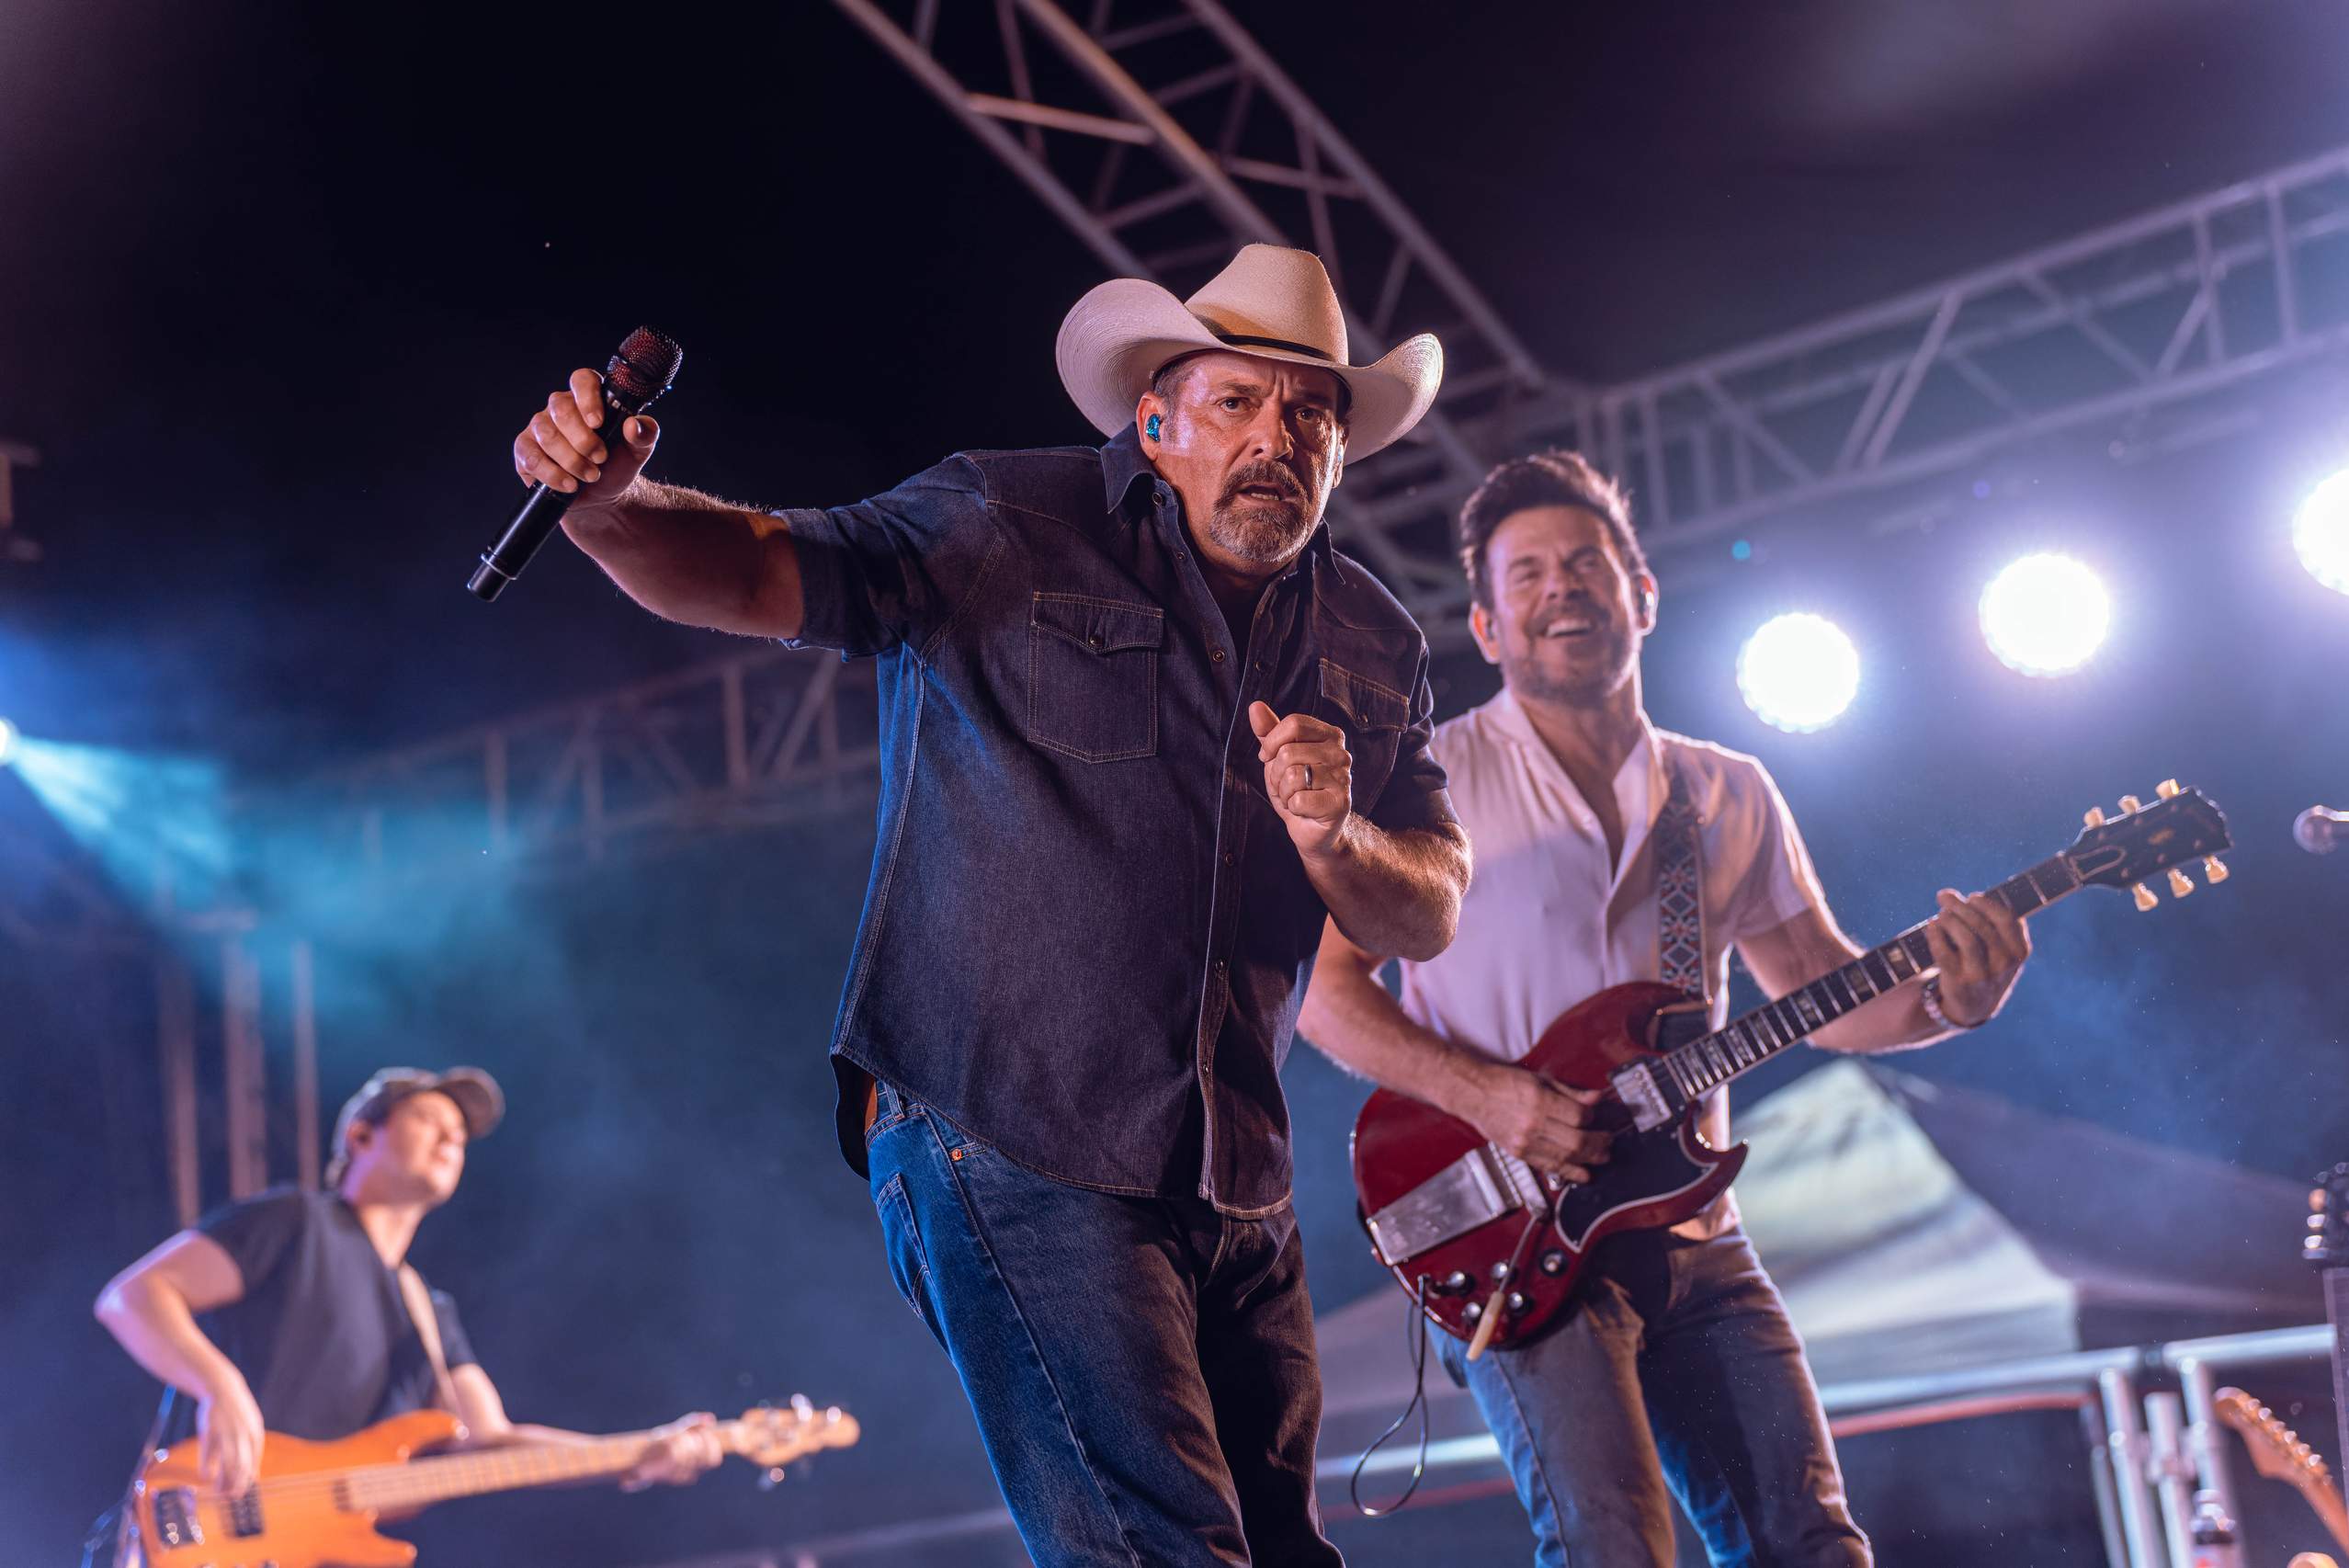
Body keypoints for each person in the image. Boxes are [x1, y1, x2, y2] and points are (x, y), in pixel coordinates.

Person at [506, 244, 1471, 1565]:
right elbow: (751, 568)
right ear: (1157, 418)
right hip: (1009, 1128)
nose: (1277, 437)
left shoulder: (1373, 637)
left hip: (1234, 1171)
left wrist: (1338, 831)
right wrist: (611, 506)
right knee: (1164, 1552)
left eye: (1312, 411)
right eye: (1237, 401)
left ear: (1345, 447)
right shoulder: (1007, 523)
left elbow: (1426, 908)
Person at [1298, 450, 2033, 1568]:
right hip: (1510, 1225)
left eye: (1588, 562)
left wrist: (1953, 1001)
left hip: (1701, 1235)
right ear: (1489, 627)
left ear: (1642, 594)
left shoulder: (1726, 788)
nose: (1563, 588)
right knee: (1615, 1553)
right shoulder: (1423, 784)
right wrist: (1495, 1100)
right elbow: (1323, 994)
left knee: (1816, 1547)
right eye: (1529, 573)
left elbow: (1826, 994)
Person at [93, 1067, 723, 1501]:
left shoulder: (428, 1310)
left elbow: (492, 1441)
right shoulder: (296, 1222)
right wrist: (219, 1386)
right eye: (429, 1119)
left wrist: (637, 1451)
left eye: (460, 1134)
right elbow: (135, 1296)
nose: (453, 1137)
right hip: (205, 1524)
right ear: (362, 1136)